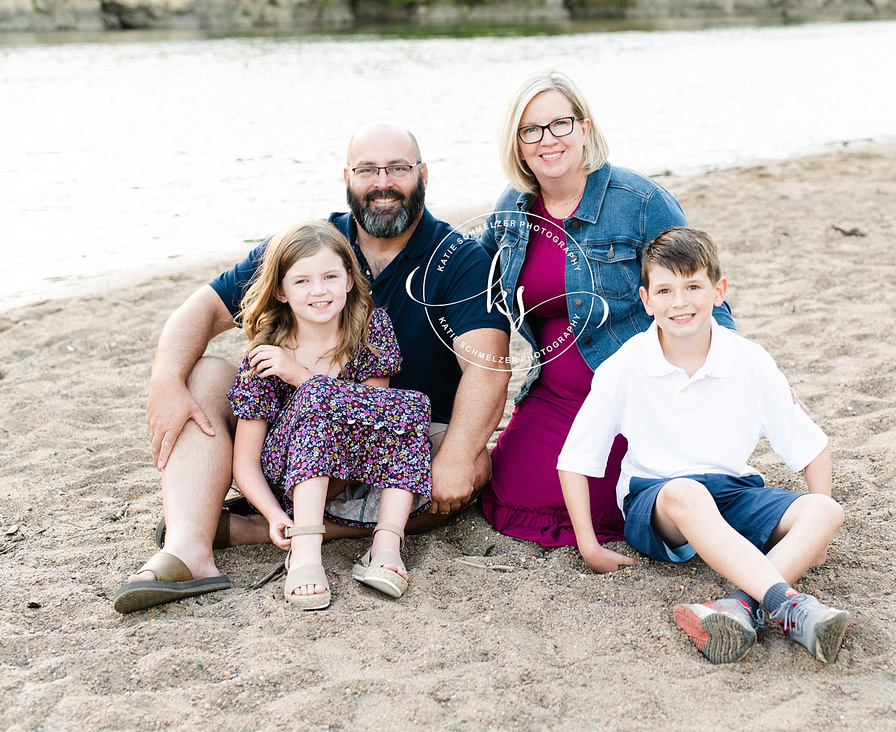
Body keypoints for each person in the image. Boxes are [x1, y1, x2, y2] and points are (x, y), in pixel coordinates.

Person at [114, 123, 510, 613]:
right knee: (204, 374)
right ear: (347, 177)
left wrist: (452, 459)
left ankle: (249, 529)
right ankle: (188, 547)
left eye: (398, 169)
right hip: (286, 449)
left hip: (390, 448)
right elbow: (202, 309)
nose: (382, 181)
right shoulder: (311, 246)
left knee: (471, 462)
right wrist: (164, 382)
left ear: (423, 174)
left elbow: (489, 368)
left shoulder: (459, 258)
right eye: (367, 169)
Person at [557, 227, 850, 664]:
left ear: (719, 290)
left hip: (733, 492)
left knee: (826, 511)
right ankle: (787, 605)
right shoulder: (625, 366)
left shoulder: (749, 359)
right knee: (686, 492)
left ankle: (739, 608)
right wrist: (588, 545)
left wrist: (818, 536)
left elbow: (812, 445)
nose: (680, 302)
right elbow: (575, 459)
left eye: (693, 286)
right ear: (646, 299)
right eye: (666, 290)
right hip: (658, 501)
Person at [478, 69, 737, 548]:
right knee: (508, 487)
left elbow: (699, 293)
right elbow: (470, 268)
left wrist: (734, 372)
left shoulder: (639, 202)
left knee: (619, 500)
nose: (547, 140)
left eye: (560, 124)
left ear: (585, 127)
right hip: (553, 397)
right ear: (516, 144)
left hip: (632, 399)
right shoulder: (512, 208)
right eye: (530, 130)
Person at [228, 220, 431, 609]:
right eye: (301, 281)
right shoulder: (267, 355)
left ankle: (385, 546)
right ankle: (305, 551)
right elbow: (246, 461)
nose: (318, 290)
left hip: (353, 472)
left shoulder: (370, 329)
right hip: (287, 482)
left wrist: (303, 377)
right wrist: (272, 515)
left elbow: (378, 419)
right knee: (321, 396)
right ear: (281, 292)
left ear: (350, 280)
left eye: (330, 276)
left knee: (399, 409)